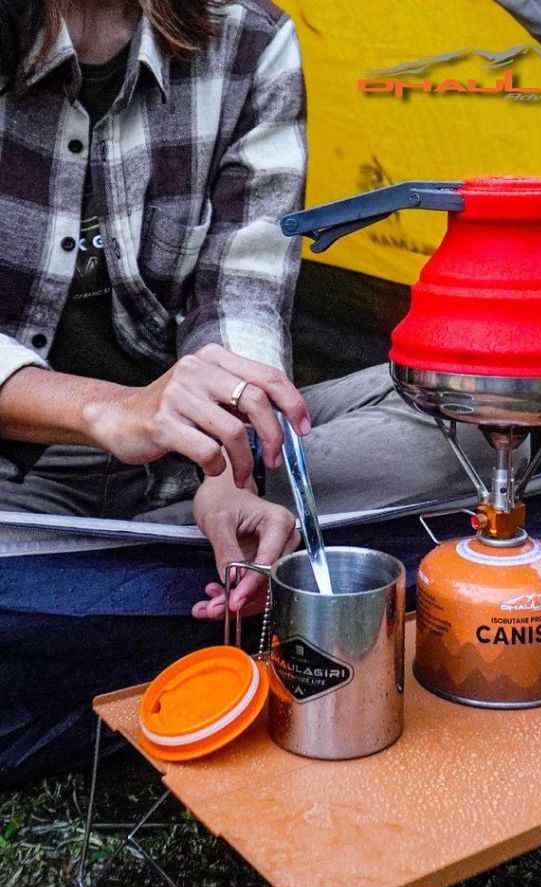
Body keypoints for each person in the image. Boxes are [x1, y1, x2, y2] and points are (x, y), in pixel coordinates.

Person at [0, 0, 489, 622]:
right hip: (20, 471)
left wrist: (229, 476)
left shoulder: (247, 40)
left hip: (185, 459)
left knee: (474, 414)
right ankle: (150, 566)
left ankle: (118, 570)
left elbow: (243, 292)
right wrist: (111, 409)